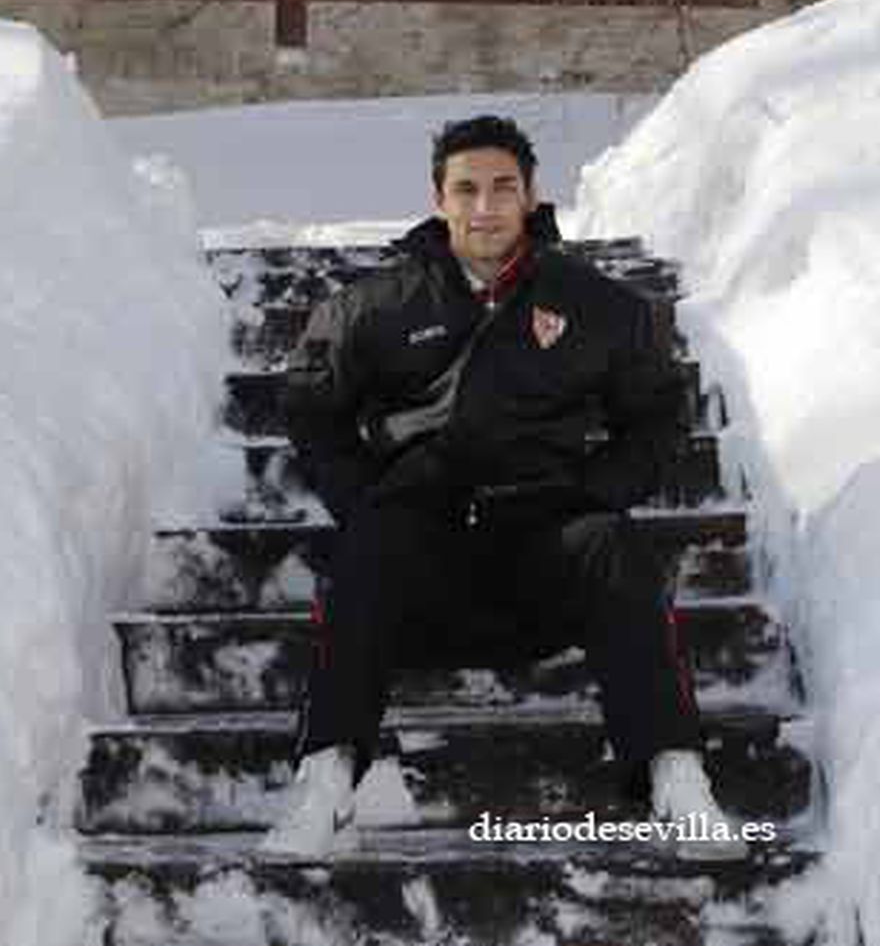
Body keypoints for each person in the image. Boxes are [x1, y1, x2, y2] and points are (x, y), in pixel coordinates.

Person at [260, 115, 744, 859]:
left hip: (543, 548)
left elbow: (656, 413)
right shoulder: (378, 306)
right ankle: (324, 781)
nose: (484, 207)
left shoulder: (594, 304)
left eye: (501, 188)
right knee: (369, 544)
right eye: (466, 190)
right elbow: (310, 405)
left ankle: (677, 776)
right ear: (439, 199)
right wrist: (362, 498)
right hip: (423, 557)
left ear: (530, 195)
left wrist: (597, 491)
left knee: (612, 545)